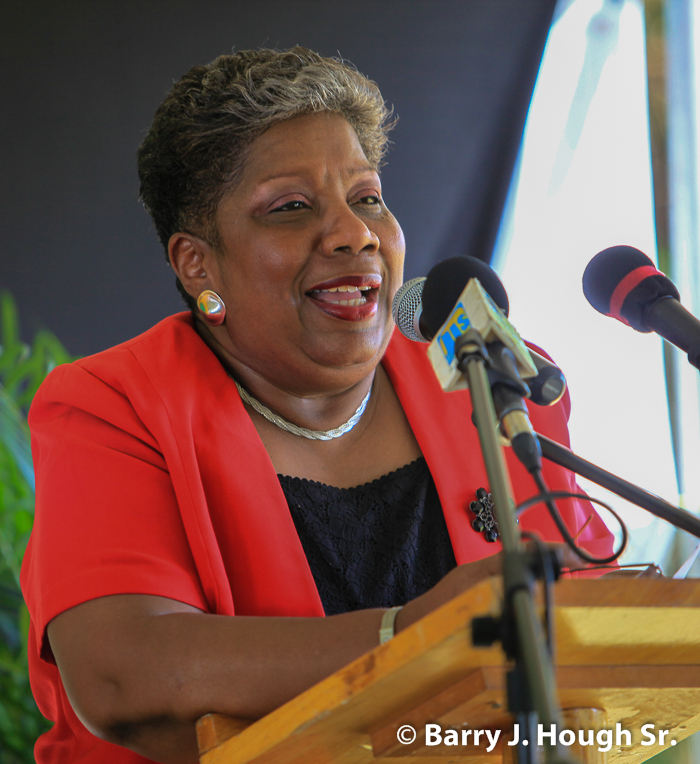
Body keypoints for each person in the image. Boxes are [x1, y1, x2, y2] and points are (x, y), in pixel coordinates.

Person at [20, 47, 614, 764]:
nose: (354, 233)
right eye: (291, 208)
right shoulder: (114, 408)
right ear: (198, 265)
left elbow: (590, 635)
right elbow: (125, 674)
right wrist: (412, 635)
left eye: (366, 197)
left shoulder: (495, 383)